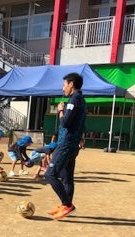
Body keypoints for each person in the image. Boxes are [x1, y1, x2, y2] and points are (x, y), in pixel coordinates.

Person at [45, 72, 86, 220]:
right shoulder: (81, 99)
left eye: (64, 85)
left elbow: (65, 122)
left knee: (49, 174)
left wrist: (60, 111)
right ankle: (65, 206)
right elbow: (80, 122)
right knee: (67, 177)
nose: (63, 88)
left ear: (71, 84)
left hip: (66, 144)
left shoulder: (74, 100)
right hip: (72, 144)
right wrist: (81, 137)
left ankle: (67, 204)